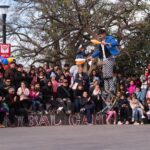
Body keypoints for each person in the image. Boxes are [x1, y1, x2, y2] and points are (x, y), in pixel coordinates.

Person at [89, 29, 120, 93]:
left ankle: (111, 89)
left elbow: (116, 43)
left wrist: (107, 44)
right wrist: (92, 56)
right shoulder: (99, 43)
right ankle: (106, 89)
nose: (100, 35)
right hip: (104, 60)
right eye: (99, 35)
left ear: (104, 34)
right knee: (104, 75)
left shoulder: (109, 38)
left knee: (108, 75)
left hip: (110, 58)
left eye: (101, 34)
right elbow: (98, 51)